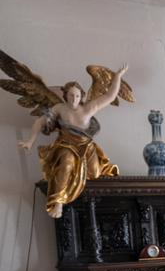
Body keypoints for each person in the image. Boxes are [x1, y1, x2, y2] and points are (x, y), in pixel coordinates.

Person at [17, 65, 129, 218]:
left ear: (81, 96)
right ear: (65, 95)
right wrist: (29, 141)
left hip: (86, 147)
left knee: (95, 172)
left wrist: (118, 76)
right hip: (66, 146)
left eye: (77, 96)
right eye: (71, 95)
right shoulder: (59, 108)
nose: (74, 99)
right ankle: (58, 203)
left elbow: (110, 96)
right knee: (67, 163)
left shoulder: (89, 108)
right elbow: (39, 122)